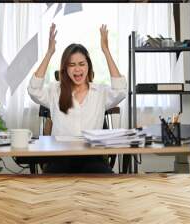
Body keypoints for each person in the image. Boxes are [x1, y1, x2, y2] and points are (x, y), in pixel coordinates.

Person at [27, 23, 127, 173]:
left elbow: (121, 90)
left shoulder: (100, 92)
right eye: (72, 65)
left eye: (82, 64)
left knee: (108, 183)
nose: (77, 69)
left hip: (92, 158)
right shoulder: (55, 91)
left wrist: (106, 51)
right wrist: (49, 53)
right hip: (60, 158)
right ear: (65, 69)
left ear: (88, 66)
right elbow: (33, 89)